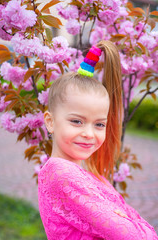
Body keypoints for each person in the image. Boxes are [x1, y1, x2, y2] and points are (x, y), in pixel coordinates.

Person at [38, 40, 158, 240]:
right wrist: (130, 219)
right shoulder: (61, 173)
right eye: (77, 121)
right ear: (50, 122)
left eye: (99, 124)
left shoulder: (86, 175)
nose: (89, 133)